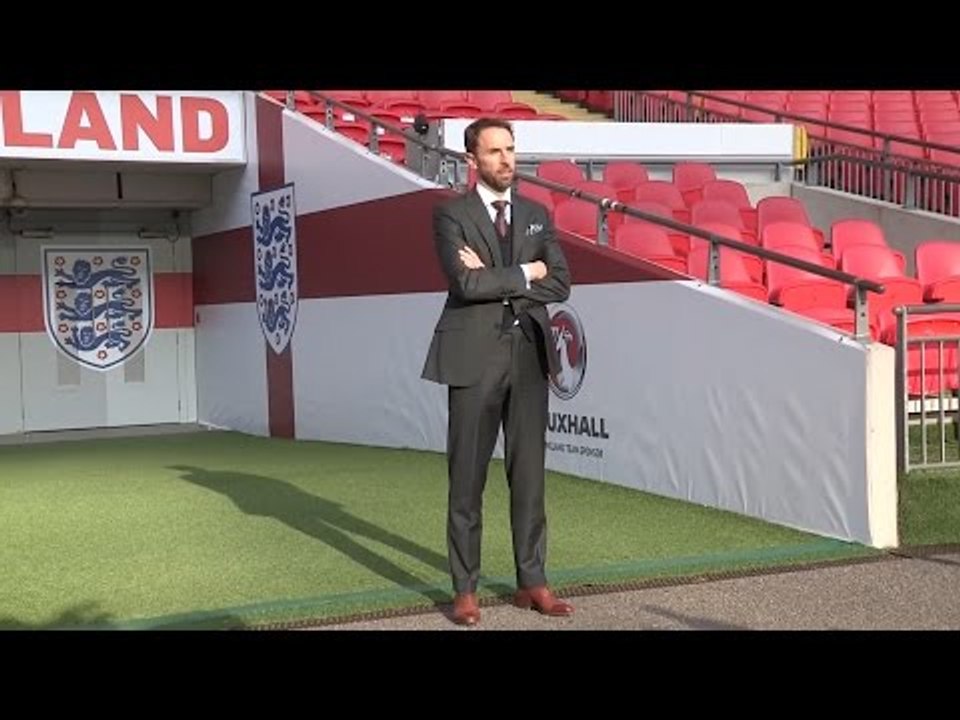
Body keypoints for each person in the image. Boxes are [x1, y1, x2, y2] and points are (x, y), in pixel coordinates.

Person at [421, 117, 574, 626]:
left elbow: (561, 284)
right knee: (466, 479)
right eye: (494, 152)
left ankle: (533, 581)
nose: (507, 159)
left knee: (528, 478)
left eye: (511, 149)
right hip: (473, 358)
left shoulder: (536, 214)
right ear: (472, 160)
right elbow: (464, 284)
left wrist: (502, 278)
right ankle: (465, 589)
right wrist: (528, 273)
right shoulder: (451, 216)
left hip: (530, 356)